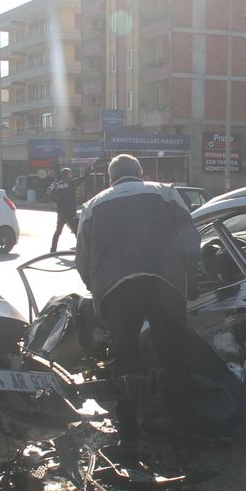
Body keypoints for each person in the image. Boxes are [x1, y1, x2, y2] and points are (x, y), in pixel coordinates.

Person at [76, 154, 201, 458]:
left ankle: (129, 438)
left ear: (110, 180)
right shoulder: (166, 193)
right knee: (173, 359)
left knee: (125, 361)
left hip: (117, 291)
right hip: (164, 284)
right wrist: (193, 280)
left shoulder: (93, 206)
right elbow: (190, 239)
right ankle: (183, 438)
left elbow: (82, 259)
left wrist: (97, 289)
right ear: (140, 173)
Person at [49, 167, 85, 251]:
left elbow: (50, 194)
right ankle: (81, 249)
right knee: (77, 231)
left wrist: (57, 202)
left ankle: (53, 249)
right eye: (70, 173)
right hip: (70, 212)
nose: (72, 174)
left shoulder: (58, 184)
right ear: (68, 174)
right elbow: (82, 179)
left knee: (58, 231)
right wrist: (89, 170)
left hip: (61, 212)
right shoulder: (70, 182)